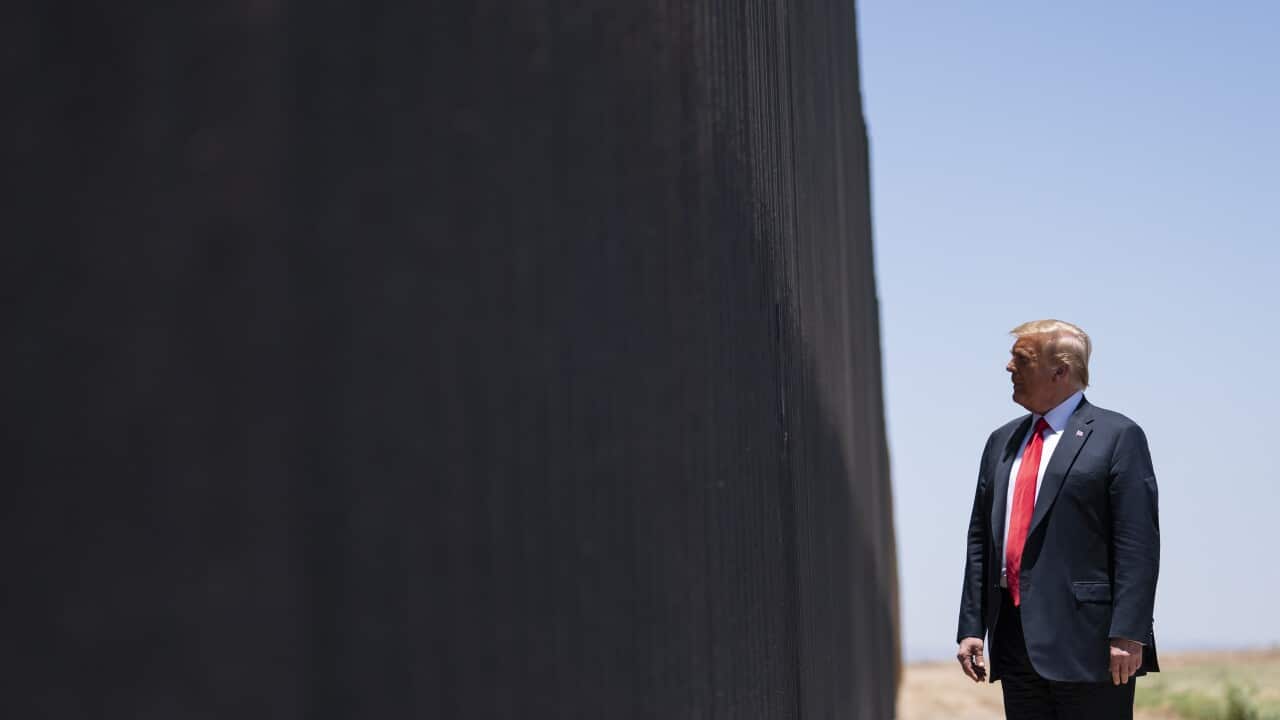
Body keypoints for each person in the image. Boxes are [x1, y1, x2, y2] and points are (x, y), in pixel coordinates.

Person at [955, 319, 1160, 719]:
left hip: (1091, 645)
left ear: (1060, 371)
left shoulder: (1117, 435)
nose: (1008, 368)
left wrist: (1129, 633)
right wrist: (971, 627)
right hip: (1014, 641)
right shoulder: (1001, 441)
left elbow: (1138, 543)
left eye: (1022, 359)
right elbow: (981, 539)